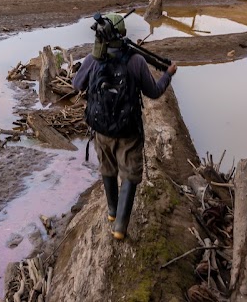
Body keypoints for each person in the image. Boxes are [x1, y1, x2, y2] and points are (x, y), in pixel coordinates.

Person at [71, 13, 178, 240]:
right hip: (128, 130)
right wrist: (167, 75)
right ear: (122, 34)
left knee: (107, 167)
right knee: (130, 174)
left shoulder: (93, 59)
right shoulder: (135, 61)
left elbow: (77, 84)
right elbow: (154, 92)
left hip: (101, 128)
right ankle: (120, 226)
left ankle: (112, 211)